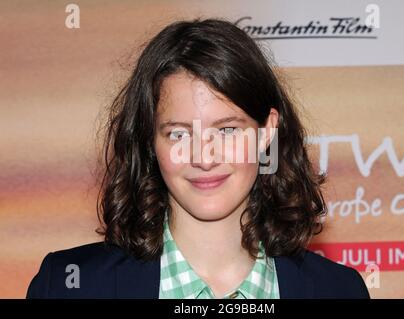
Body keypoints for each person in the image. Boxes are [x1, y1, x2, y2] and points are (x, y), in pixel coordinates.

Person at [26, 18, 370, 299]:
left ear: (267, 132)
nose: (204, 158)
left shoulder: (339, 290)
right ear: (149, 140)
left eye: (227, 130)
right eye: (178, 133)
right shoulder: (68, 288)